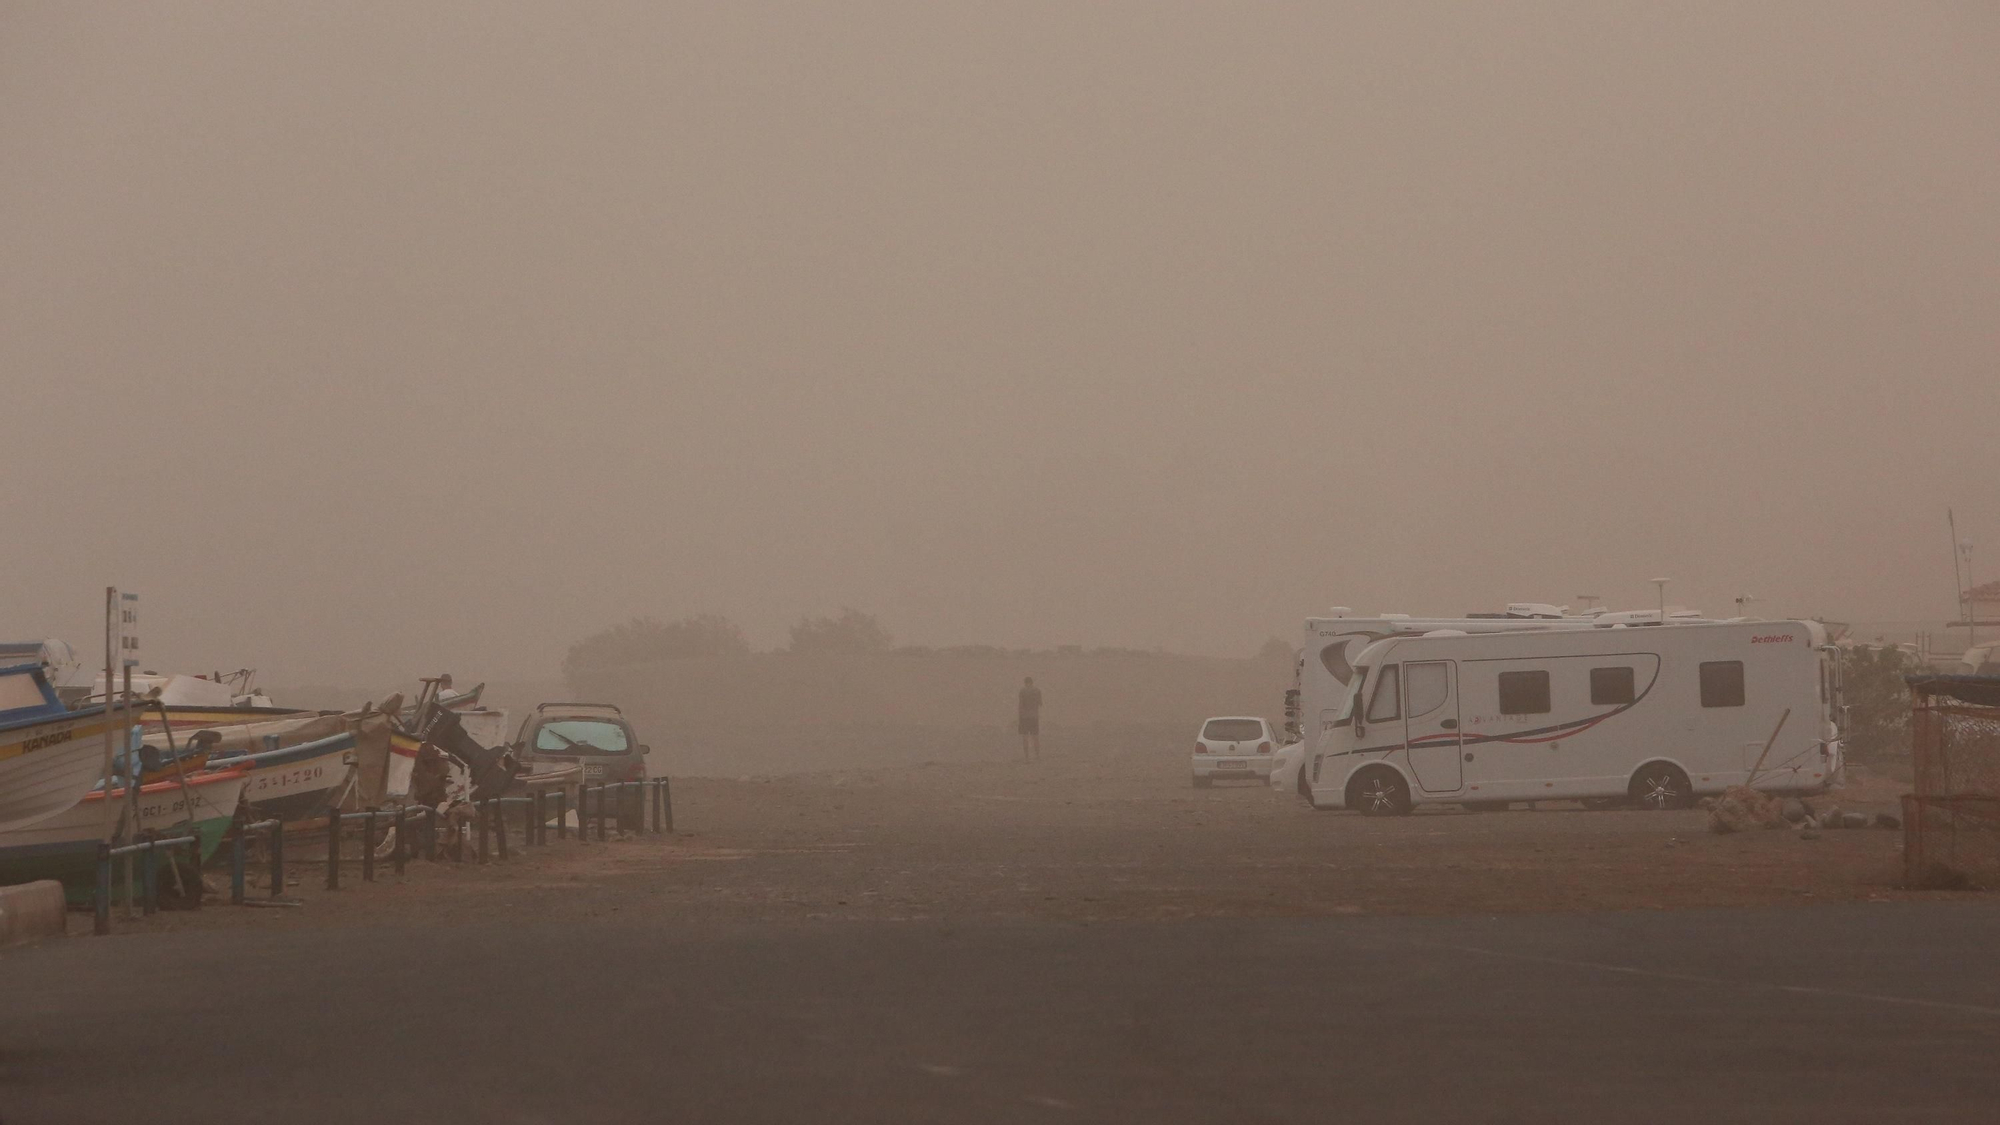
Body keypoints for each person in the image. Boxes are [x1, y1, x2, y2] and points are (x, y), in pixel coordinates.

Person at [1017, 676, 1043, 761]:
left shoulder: (1022, 691)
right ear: (1032, 682)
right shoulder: (1037, 690)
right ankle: (1037, 756)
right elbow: (1040, 703)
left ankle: (1026, 757)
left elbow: (1020, 705)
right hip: (1034, 717)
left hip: (1024, 717)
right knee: (1035, 737)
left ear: (1025, 683)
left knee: (1025, 737)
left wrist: (1020, 716)